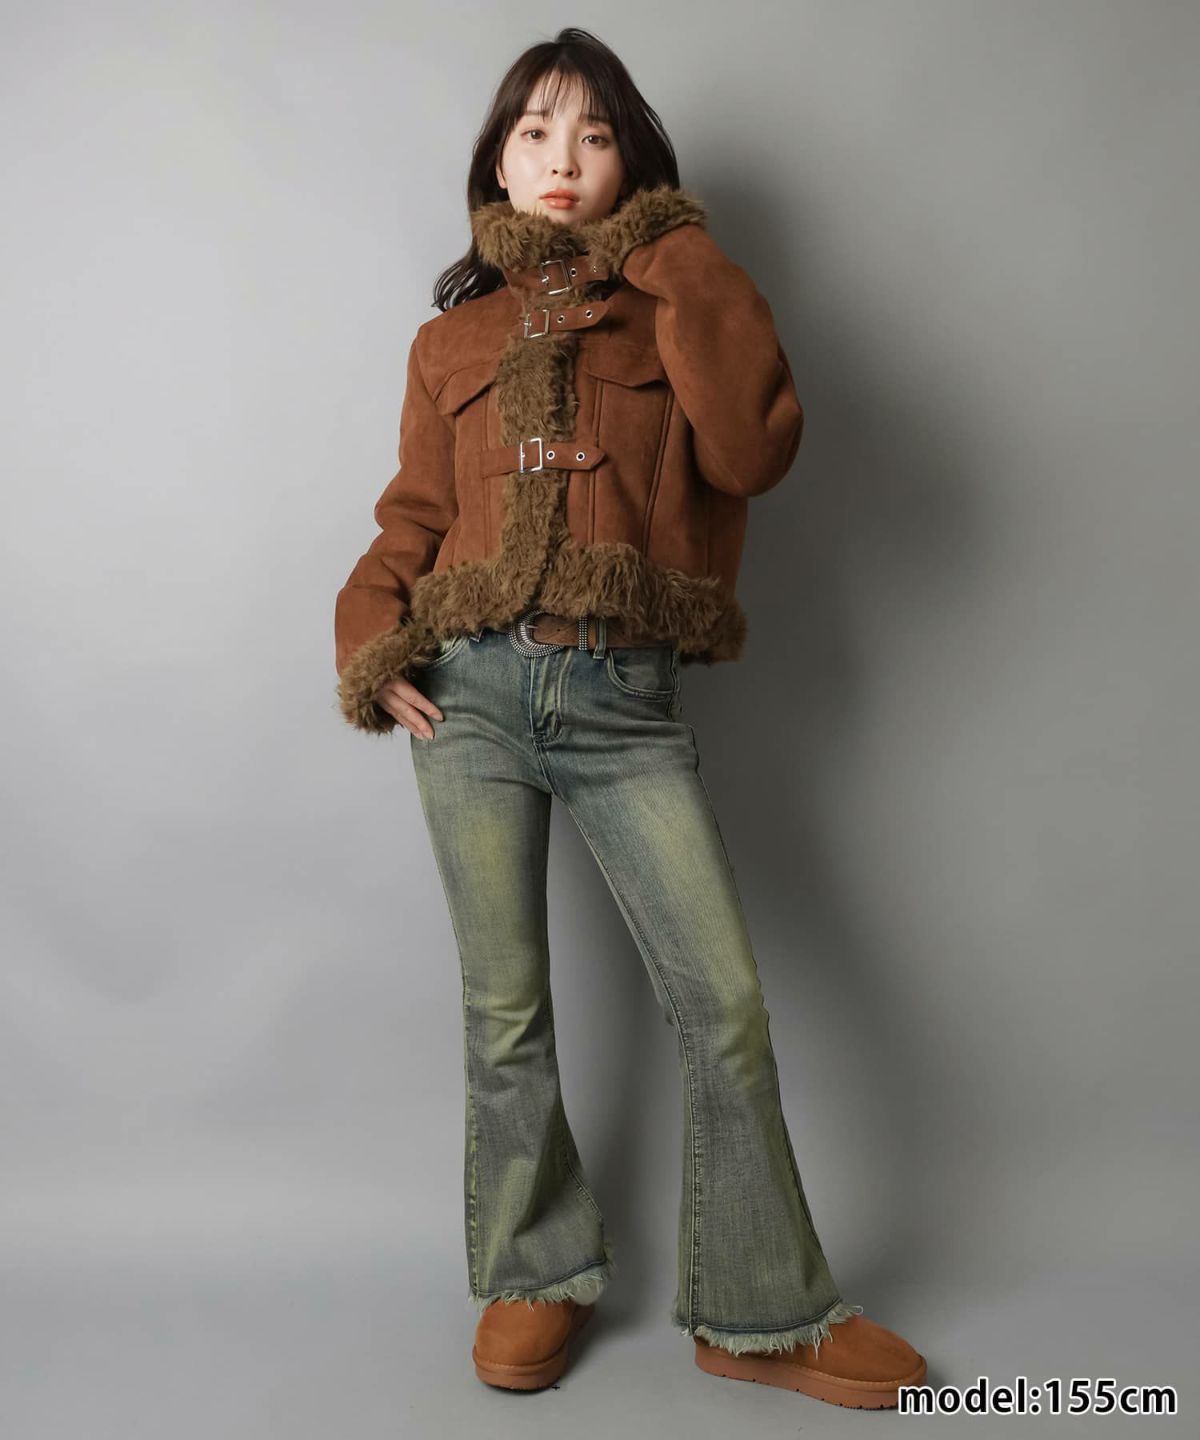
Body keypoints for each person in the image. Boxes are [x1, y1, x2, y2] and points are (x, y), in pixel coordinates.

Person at [333, 26, 926, 1410]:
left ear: (632, 166)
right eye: (536, 132)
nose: (562, 158)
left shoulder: (679, 301)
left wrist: (680, 258)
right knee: (504, 1012)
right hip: (471, 697)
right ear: (497, 160)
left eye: (593, 135)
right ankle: (533, 1276)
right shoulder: (449, 341)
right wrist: (369, 638)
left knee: (723, 1008)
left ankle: (761, 1311)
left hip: (622, 700)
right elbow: (414, 517)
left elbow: (754, 451)